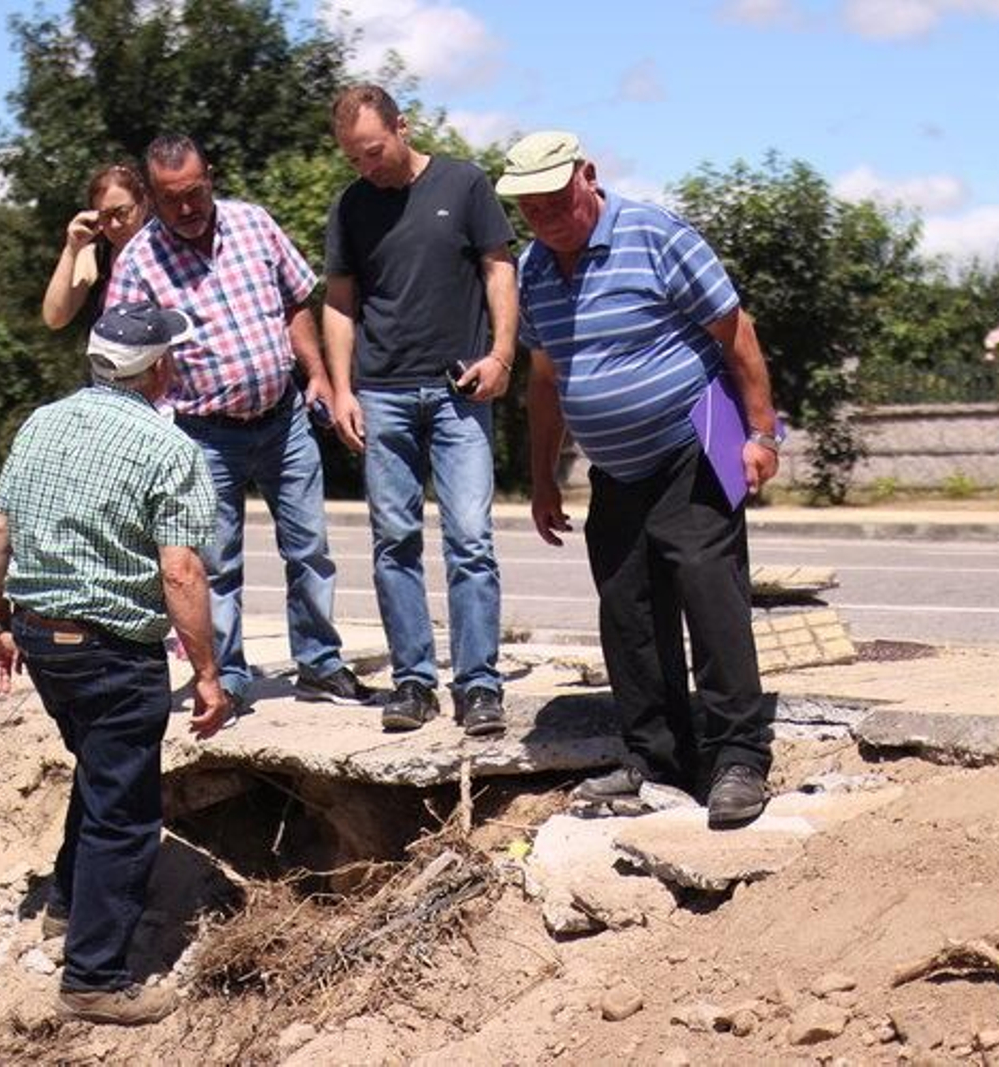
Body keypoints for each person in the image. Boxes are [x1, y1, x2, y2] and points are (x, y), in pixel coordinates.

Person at [497, 130, 781, 829]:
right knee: (627, 611)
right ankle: (655, 760)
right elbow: (545, 382)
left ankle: (738, 757)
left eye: (556, 199)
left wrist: (761, 432)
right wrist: (541, 479)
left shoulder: (656, 234)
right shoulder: (534, 269)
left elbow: (735, 332)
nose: (548, 217)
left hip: (696, 435)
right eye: (530, 209)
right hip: (615, 465)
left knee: (710, 594)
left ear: (587, 176)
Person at [0, 300, 228, 1025]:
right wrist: (207, 671)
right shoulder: (168, 447)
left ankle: (64, 903)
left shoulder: (41, 422)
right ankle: (94, 976)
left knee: (98, 766)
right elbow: (181, 572)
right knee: (125, 811)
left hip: (40, 636)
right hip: (113, 652)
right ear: (157, 368)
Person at [106, 134, 373, 711]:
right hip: (202, 436)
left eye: (195, 193)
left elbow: (296, 301)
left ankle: (320, 664)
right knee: (216, 565)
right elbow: (120, 354)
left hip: (284, 420)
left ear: (211, 178)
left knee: (310, 551)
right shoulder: (137, 263)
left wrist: (319, 377)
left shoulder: (254, 224)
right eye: (172, 199)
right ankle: (226, 676)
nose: (186, 209)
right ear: (151, 197)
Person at [322, 84, 518, 737]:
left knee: (470, 538)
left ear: (403, 127)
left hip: (459, 388)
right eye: (354, 157)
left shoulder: (464, 184)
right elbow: (340, 302)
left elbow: (499, 270)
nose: (367, 167)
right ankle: (412, 681)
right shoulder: (350, 207)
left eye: (374, 151)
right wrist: (343, 389)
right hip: (382, 392)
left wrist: (502, 354)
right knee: (393, 541)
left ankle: (479, 685)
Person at [42, 162, 149, 330]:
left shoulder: (166, 249)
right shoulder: (94, 257)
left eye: (122, 213)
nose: (114, 224)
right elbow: (54, 318)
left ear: (143, 205)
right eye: (105, 216)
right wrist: (71, 250)